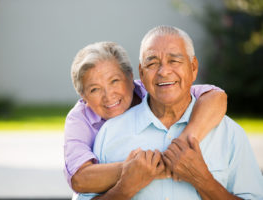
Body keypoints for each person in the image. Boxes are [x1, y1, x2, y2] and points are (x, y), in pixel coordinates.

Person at [78, 26, 263, 200]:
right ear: (141, 74)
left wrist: (204, 181)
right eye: (152, 63)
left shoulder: (229, 134)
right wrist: (124, 189)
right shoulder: (110, 134)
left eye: (174, 61)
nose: (164, 71)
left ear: (193, 68)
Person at [64, 41, 227, 196]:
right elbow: (80, 179)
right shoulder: (79, 119)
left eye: (114, 81)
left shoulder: (153, 88)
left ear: (130, 76)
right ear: (83, 96)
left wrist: (185, 144)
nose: (108, 95)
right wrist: (142, 169)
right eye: (94, 89)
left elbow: (215, 96)